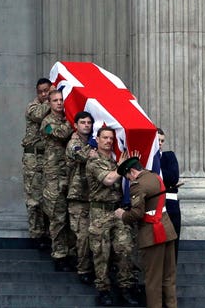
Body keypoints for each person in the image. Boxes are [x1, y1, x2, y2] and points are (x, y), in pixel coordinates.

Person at [86, 126, 139, 307]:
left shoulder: (116, 160)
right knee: (101, 252)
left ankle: (126, 288)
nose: (108, 141)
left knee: (125, 247)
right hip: (99, 213)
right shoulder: (93, 162)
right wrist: (122, 167)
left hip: (117, 212)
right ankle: (104, 290)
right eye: (105, 138)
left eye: (111, 138)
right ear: (98, 140)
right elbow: (108, 180)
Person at [116, 155, 178, 308]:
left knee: (153, 280)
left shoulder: (138, 185)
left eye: (128, 177)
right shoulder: (155, 177)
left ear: (132, 171)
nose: (129, 180)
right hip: (167, 229)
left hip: (152, 234)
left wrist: (122, 215)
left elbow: (137, 213)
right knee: (169, 277)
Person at [40, 88, 73, 271]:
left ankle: (71, 252)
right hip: (53, 176)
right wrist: (72, 119)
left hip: (68, 173)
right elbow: (60, 134)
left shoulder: (67, 120)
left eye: (61, 100)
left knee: (70, 215)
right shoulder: (47, 122)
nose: (59, 103)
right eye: (55, 100)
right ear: (49, 103)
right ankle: (59, 254)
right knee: (57, 215)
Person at [65, 111, 96, 284]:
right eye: (83, 122)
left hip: (92, 197)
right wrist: (92, 146)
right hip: (77, 197)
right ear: (76, 125)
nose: (86, 125)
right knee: (82, 236)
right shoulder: (73, 143)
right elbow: (82, 156)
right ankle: (83, 269)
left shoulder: (93, 142)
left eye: (89, 122)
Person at [23, 78, 52, 249]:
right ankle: (36, 234)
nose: (43, 94)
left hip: (48, 158)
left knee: (49, 198)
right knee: (34, 199)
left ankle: (48, 234)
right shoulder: (33, 107)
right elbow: (39, 115)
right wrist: (53, 96)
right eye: (40, 91)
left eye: (46, 90)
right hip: (33, 159)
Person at [157, 128, 181, 262]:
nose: (160, 143)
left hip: (170, 204)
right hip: (152, 205)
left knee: (172, 242)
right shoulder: (146, 159)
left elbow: (173, 177)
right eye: (157, 140)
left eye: (162, 141)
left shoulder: (168, 156)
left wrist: (155, 170)